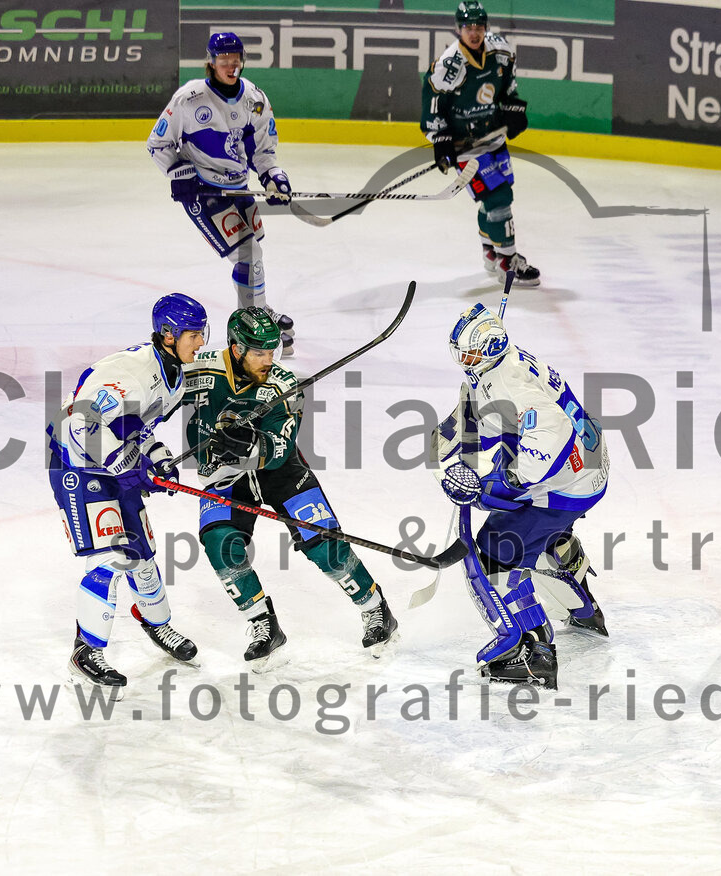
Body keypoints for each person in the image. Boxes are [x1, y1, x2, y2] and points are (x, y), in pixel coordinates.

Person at [185, 307, 399, 670]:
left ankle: (375, 609)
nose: (269, 360)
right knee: (220, 544)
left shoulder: (283, 386)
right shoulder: (199, 367)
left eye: (272, 351)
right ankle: (263, 625)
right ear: (236, 349)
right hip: (225, 477)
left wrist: (248, 444)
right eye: (260, 353)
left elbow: (280, 448)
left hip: (280, 472)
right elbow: (158, 386)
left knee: (325, 547)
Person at [433, 303, 608, 688]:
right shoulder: (502, 366)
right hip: (585, 468)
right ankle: (581, 605)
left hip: (568, 481)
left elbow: (550, 435)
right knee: (538, 541)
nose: (464, 360)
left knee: (498, 548)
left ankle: (531, 652)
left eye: (469, 354)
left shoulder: (510, 379)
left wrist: (505, 484)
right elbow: (499, 418)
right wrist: (453, 436)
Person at [47, 294, 209, 697]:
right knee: (110, 557)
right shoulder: (131, 372)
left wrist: (156, 456)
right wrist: (122, 462)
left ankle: (157, 622)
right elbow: (79, 424)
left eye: (201, 333)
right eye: (193, 335)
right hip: (76, 463)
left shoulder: (174, 373)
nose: (200, 343)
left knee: (141, 552)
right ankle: (86, 651)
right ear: (168, 335)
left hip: (114, 455)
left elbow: (136, 423)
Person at [147, 31, 296, 352]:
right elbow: (158, 143)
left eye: (235, 60)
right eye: (223, 60)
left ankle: (260, 310)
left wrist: (273, 176)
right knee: (248, 254)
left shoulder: (254, 100)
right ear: (211, 62)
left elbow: (263, 151)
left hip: (238, 190)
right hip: (203, 193)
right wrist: (179, 174)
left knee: (254, 253)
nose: (230, 65)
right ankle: (249, 325)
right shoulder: (189, 99)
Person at [420, 1, 540, 287]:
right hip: (467, 147)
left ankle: (490, 251)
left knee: (496, 196)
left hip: (493, 137)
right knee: (499, 198)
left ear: (486, 27)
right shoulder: (449, 66)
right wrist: (441, 140)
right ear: (458, 29)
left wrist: (513, 110)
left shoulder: (501, 51)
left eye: (478, 27)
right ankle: (507, 261)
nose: (474, 33)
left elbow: (508, 85)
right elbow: (433, 103)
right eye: (468, 28)